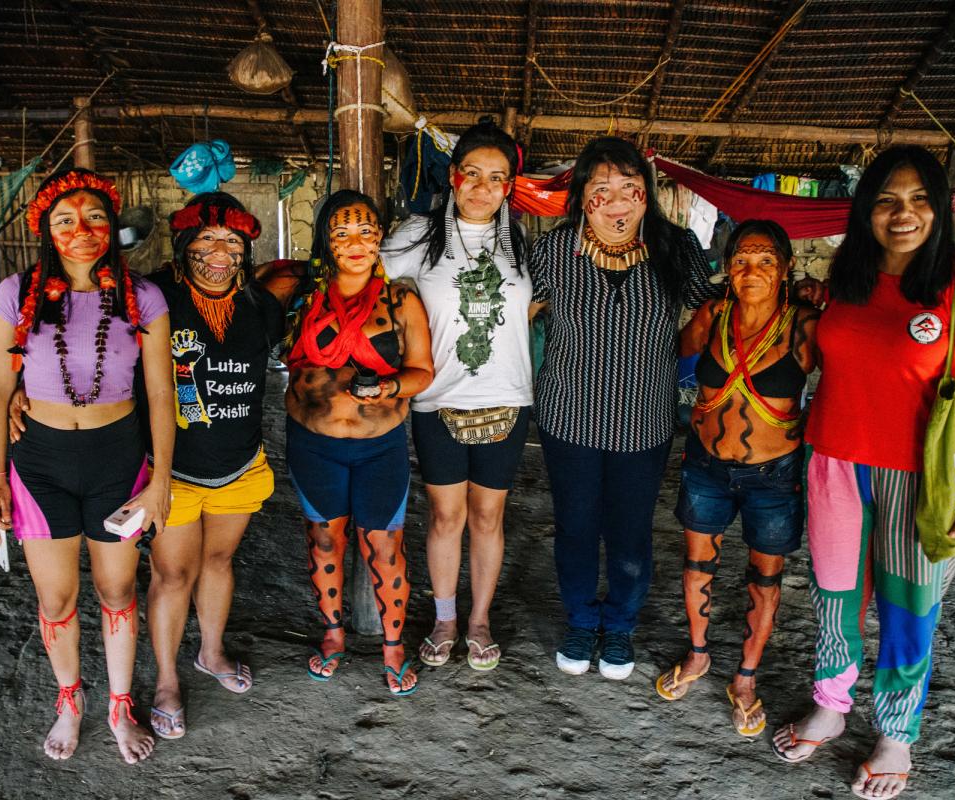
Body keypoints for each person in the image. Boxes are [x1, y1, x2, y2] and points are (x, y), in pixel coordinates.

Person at [771, 146, 955, 800]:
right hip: (835, 465)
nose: (902, 214)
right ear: (865, 209)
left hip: (923, 479)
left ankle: (896, 734)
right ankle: (830, 703)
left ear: (940, 207)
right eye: (885, 199)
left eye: (918, 199)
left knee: (910, 612)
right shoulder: (846, 277)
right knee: (836, 600)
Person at [0, 169, 174, 763]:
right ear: (47, 228)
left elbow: (162, 394)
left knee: (118, 590)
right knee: (58, 599)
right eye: (65, 219)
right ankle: (71, 701)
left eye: (94, 217)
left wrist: (161, 479)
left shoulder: (143, 297)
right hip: (39, 465)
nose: (81, 229)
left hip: (119, 459)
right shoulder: (15, 294)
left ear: (111, 227)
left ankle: (120, 705)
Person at [529, 136, 715, 680]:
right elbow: (520, 317)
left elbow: (713, 317)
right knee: (576, 526)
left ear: (646, 194)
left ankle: (621, 626)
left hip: (644, 422)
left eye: (628, 189)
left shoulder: (676, 248)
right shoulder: (555, 251)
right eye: (601, 189)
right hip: (569, 418)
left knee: (631, 532)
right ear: (582, 195)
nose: (616, 202)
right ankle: (582, 620)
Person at [656, 220, 818, 738]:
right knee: (698, 565)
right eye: (742, 260)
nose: (752, 271)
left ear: (786, 269)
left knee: (764, 579)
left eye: (766, 260)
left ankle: (745, 678)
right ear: (727, 268)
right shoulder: (714, 315)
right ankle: (699, 654)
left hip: (774, 474)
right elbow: (665, 355)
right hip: (707, 465)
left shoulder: (804, 325)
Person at [383, 119, 532, 672]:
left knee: (489, 518)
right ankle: (445, 617)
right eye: (473, 174)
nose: (483, 187)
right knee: (446, 517)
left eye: (496, 178)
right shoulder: (417, 237)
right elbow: (364, 281)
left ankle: (478, 621)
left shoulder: (522, 245)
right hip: (438, 400)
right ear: (454, 176)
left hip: (507, 399)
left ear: (508, 187)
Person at [284, 190, 434, 696]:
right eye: (342, 233)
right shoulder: (301, 294)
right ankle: (333, 636)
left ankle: (393, 648)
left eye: (366, 232)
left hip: (379, 445)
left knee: (385, 547)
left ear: (380, 239)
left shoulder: (402, 300)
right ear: (326, 240)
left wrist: (389, 386)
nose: (355, 243)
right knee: (324, 541)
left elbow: (422, 372)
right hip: (314, 443)